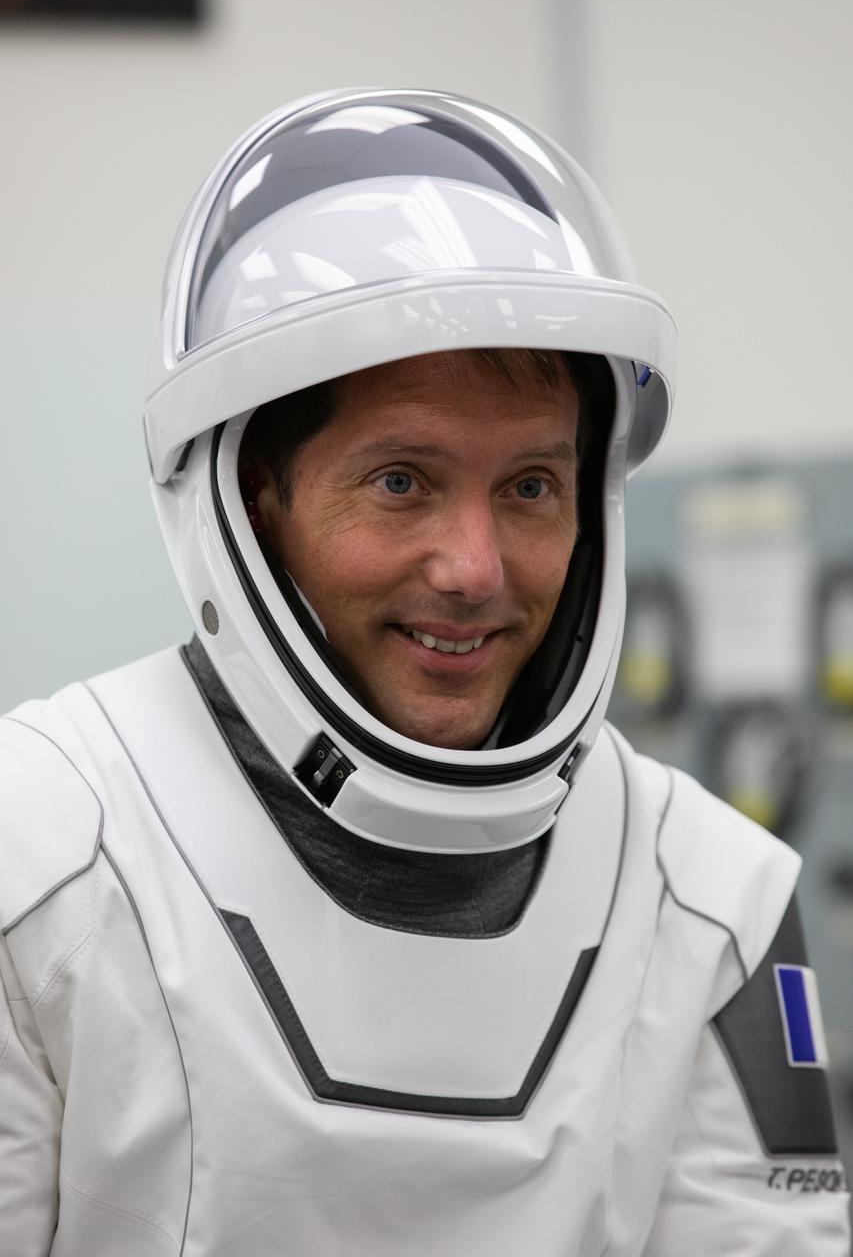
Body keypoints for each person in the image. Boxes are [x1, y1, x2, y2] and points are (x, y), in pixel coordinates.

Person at [0, 88, 849, 1256]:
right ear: (255, 502)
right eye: (400, 479)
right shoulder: (42, 845)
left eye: (529, 486)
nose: (473, 566)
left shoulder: (711, 900)